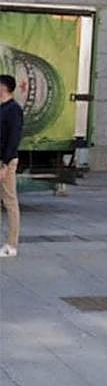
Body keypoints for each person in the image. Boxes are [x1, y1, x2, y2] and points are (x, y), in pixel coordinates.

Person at [0, 75, 24, 257]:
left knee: (9, 201)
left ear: (4, 87)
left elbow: (13, 138)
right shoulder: (1, 108)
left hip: (5, 161)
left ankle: (11, 244)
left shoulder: (13, 109)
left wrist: (5, 164)